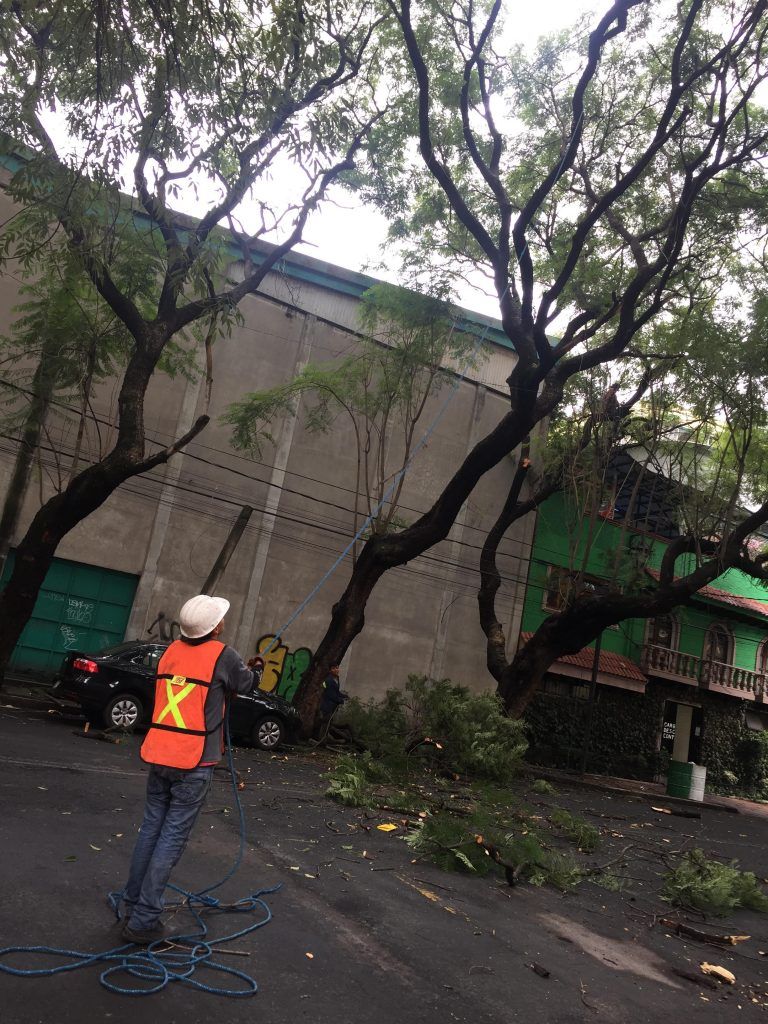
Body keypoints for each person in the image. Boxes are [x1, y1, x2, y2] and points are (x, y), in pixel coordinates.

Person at [118, 594, 255, 945]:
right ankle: (145, 919)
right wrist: (250, 669)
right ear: (216, 626)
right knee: (171, 838)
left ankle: (131, 905)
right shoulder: (223, 655)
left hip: (160, 755)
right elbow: (245, 684)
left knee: (151, 830)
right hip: (194, 762)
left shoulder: (169, 652)